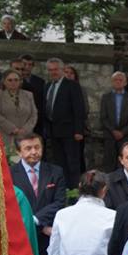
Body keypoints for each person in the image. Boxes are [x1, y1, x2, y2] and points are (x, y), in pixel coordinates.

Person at [10, 134, 65, 255]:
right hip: (22, 240)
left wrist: (35, 220)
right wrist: (36, 224)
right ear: (18, 151)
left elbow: (59, 202)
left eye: (37, 147)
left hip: (47, 241)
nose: (33, 152)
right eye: (28, 148)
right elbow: (11, 205)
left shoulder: (55, 171)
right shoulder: (10, 174)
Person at [42, 57, 85, 187]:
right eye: (50, 70)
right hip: (53, 131)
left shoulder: (72, 85)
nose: (53, 72)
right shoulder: (47, 86)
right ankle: (63, 188)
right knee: (59, 162)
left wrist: (78, 130)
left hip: (70, 131)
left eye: (55, 69)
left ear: (62, 70)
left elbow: (79, 108)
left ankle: (74, 190)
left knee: (72, 162)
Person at [99, 71, 128, 166]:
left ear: (125, 83)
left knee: (126, 163)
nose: (118, 82)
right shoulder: (106, 97)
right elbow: (103, 117)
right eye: (115, 80)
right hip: (110, 135)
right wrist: (113, 131)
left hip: (127, 135)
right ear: (112, 82)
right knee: (109, 163)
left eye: (120, 80)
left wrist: (123, 132)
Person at [0, 68, 37, 150]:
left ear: (20, 81)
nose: (13, 82)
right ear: (4, 82)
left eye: (16, 80)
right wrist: (13, 129)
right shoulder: (0, 95)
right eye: (10, 80)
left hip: (26, 137)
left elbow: (34, 115)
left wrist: (25, 130)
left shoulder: (28, 95)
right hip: (5, 136)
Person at [14, 55, 44, 137]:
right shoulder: (9, 81)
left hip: (36, 122)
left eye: (30, 64)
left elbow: (41, 102)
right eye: (24, 64)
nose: (27, 67)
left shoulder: (40, 82)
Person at [63, 64, 90, 143]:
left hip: (76, 127)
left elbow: (85, 108)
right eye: (66, 72)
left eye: (71, 73)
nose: (68, 75)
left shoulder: (80, 89)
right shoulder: (58, 89)